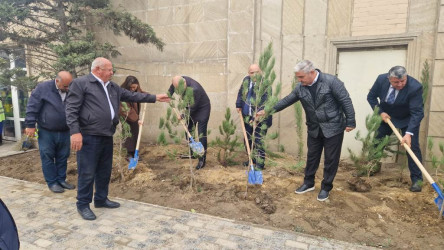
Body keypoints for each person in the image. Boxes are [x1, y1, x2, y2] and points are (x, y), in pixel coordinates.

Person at [66, 57, 169, 220]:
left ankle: (101, 199)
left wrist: (155, 97)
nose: (112, 72)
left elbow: (133, 96)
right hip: (88, 136)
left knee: (104, 170)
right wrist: (74, 132)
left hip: (107, 134)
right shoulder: (81, 83)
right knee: (87, 172)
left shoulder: (113, 87)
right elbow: (71, 109)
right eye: (109, 69)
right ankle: (83, 204)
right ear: (98, 70)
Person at [258, 60, 356, 201]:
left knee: (331, 159)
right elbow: (286, 101)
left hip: (333, 126)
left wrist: (351, 121)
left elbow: (345, 100)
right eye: (297, 77)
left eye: (301, 77)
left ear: (311, 72)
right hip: (314, 127)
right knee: (312, 157)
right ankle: (308, 183)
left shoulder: (331, 82)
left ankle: (326, 187)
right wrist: (267, 110)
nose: (299, 80)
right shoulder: (300, 88)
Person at [367, 66, 424, 192]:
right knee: (377, 142)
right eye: (396, 82)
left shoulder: (415, 87)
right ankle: (371, 169)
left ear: (406, 77)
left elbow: (417, 113)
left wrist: (409, 133)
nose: (400, 84)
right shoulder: (381, 79)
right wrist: (380, 112)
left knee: (412, 148)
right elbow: (371, 97)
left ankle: (417, 180)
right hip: (386, 117)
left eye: (403, 81)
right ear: (389, 79)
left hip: (407, 119)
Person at [24, 71, 75, 193]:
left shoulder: (70, 89)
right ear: (57, 81)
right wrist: (30, 125)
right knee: (47, 156)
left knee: (63, 156)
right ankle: (52, 182)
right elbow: (32, 106)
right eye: (65, 86)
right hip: (47, 131)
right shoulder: (43, 88)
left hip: (65, 130)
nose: (68, 88)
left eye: (69, 85)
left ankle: (61, 180)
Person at [168, 75, 211, 170]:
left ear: (184, 83)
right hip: (191, 108)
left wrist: (182, 115)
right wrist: (168, 96)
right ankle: (193, 153)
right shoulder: (179, 80)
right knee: (188, 131)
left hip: (202, 108)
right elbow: (171, 89)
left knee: (201, 134)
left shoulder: (194, 89)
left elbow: (193, 108)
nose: (178, 91)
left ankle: (202, 159)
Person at [235, 64, 272, 170]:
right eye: (252, 73)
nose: (255, 75)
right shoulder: (246, 80)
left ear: (260, 72)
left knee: (259, 140)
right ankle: (252, 160)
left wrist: (257, 116)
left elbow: (267, 101)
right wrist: (238, 105)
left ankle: (260, 164)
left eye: (257, 72)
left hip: (261, 118)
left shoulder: (265, 84)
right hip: (247, 116)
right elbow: (241, 93)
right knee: (248, 139)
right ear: (248, 73)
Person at [119, 76, 145, 160]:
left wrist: (152, 97)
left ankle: (135, 152)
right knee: (128, 133)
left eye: (135, 87)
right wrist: (137, 119)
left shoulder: (137, 89)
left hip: (135, 115)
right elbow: (125, 108)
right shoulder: (122, 92)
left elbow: (142, 94)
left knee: (136, 132)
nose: (133, 89)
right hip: (126, 115)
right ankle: (128, 154)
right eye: (131, 87)